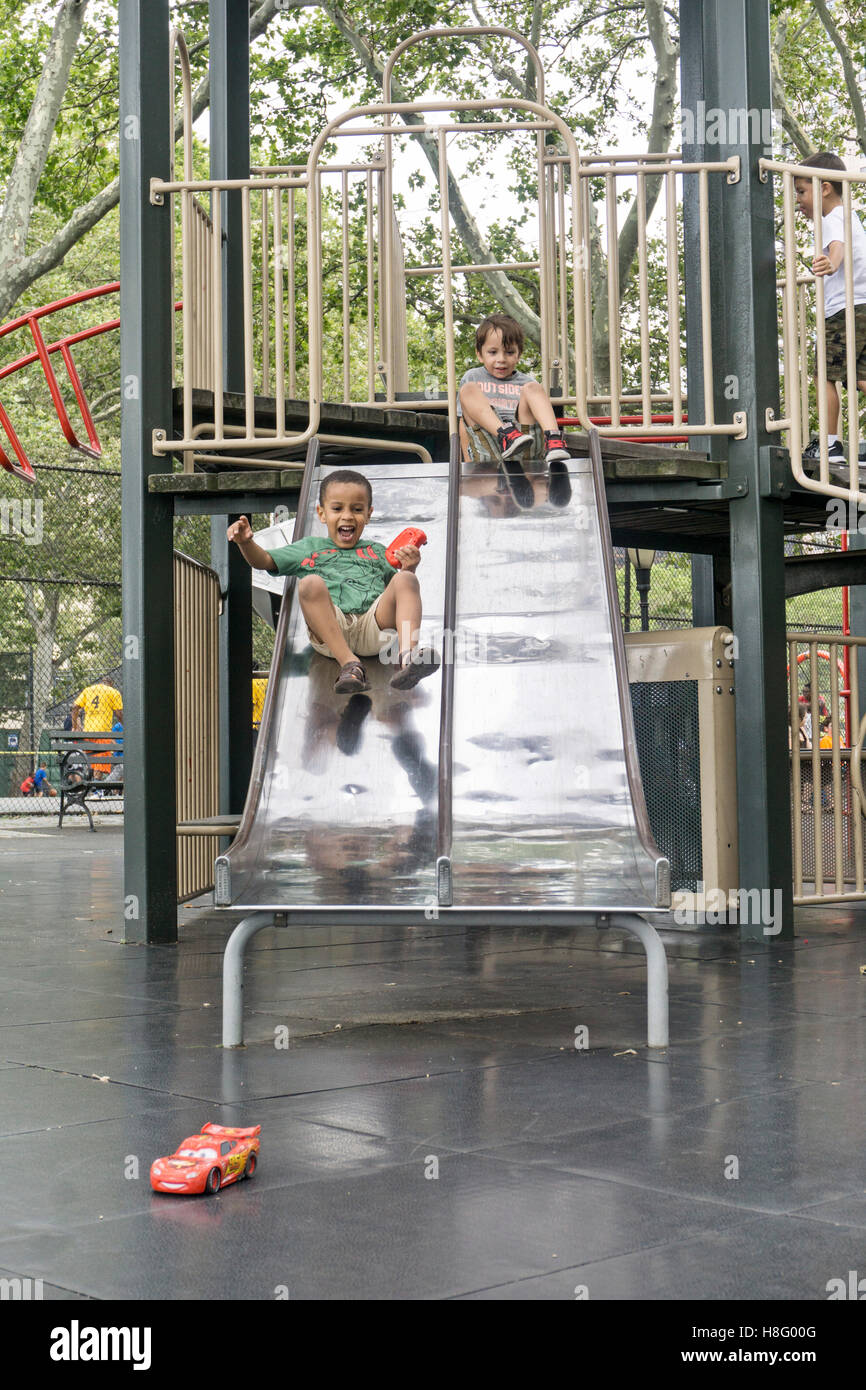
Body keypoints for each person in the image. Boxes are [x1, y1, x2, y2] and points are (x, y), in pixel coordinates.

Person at [227, 469, 439, 696]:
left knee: (405, 579)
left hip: (373, 627)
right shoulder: (309, 547)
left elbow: (396, 596)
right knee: (310, 584)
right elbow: (265, 560)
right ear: (322, 513)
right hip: (330, 631)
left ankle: (408, 658)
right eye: (337, 508)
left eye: (357, 509)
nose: (347, 516)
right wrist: (245, 544)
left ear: (368, 514)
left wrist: (409, 568)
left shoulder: (378, 552)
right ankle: (350, 664)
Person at [795, 152, 866, 469]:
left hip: (843, 310)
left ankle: (829, 445)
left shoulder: (833, 217)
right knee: (862, 377)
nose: (798, 201)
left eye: (801, 192)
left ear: (824, 188)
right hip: (862, 307)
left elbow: (838, 246)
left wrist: (831, 262)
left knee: (824, 376)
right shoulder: (851, 216)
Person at [457, 313, 572, 476]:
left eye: (509, 352)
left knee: (534, 388)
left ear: (519, 355)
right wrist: (467, 463)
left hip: (524, 448)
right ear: (479, 354)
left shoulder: (525, 382)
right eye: (493, 352)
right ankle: (506, 434)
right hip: (489, 449)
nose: (501, 359)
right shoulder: (473, 377)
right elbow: (464, 423)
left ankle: (554, 440)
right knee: (468, 390)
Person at [72, 678, 123, 777]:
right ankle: (97, 790)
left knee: (93, 764)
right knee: (99, 766)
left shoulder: (88, 690)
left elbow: (74, 708)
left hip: (88, 732)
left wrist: (75, 726)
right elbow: (119, 714)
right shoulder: (113, 692)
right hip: (103, 732)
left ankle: (95, 788)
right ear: (111, 685)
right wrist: (127, 727)